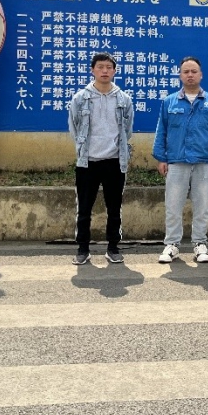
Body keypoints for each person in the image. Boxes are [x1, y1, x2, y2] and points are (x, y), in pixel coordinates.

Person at [153, 57, 208, 263]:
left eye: (194, 71)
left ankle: (200, 244)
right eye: (186, 72)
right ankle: (172, 244)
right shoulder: (169, 102)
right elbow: (162, 131)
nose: (190, 75)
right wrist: (161, 158)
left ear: (201, 75)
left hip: (204, 161)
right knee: (173, 206)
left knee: (202, 206)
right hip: (177, 161)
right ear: (180, 75)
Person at [68, 52, 134, 265]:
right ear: (92, 70)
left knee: (114, 209)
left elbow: (127, 130)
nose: (104, 71)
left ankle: (113, 247)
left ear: (114, 71)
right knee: (84, 209)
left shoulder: (124, 99)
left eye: (109, 67)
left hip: (114, 161)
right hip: (88, 162)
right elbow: (74, 127)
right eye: (100, 67)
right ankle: (83, 249)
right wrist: (83, 149)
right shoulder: (80, 98)